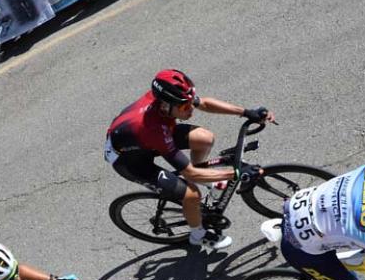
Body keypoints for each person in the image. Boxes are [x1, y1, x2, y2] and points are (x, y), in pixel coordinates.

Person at [105, 69, 272, 251]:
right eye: (185, 107)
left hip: (142, 138)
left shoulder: (170, 100)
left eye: (190, 103)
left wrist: (247, 112)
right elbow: (189, 171)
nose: (191, 109)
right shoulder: (154, 130)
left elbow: (205, 103)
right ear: (165, 106)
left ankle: (202, 179)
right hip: (130, 160)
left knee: (205, 138)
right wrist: (237, 174)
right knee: (191, 195)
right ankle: (197, 235)